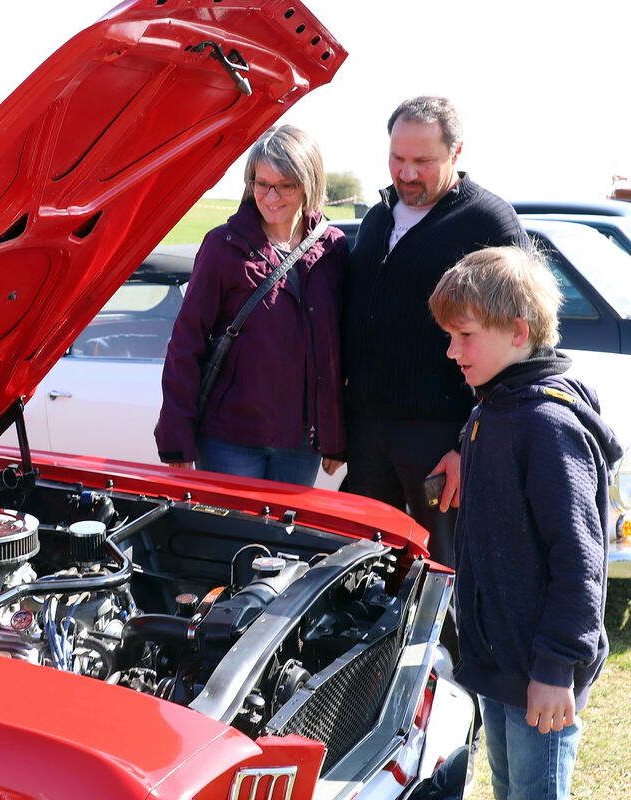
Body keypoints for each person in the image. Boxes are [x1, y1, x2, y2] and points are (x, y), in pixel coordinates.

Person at [428, 245, 623, 800]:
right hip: (497, 663)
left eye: (464, 336)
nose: (450, 351)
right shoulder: (492, 409)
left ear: (517, 332)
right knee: (510, 786)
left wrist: (557, 668)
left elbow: (580, 561)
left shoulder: (546, 425)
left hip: (540, 670)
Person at [344, 96, 529, 569]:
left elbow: (524, 345)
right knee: (360, 574)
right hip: (369, 437)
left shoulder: (488, 222)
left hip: (440, 441)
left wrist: (468, 444)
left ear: (456, 152)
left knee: (445, 577)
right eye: (397, 159)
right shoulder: (378, 216)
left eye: (422, 161)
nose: (406, 174)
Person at [154, 125, 348, 485]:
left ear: (309, 184)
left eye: (285, 185)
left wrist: (335, 436)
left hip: (300, 443)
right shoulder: (222, 246)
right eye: (262, 184)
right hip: (229, 439)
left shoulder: (332, 248)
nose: (271, 196)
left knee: (281, 542)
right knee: (233, 542)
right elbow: (186, 343)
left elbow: (338, 350)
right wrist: (176, 440)